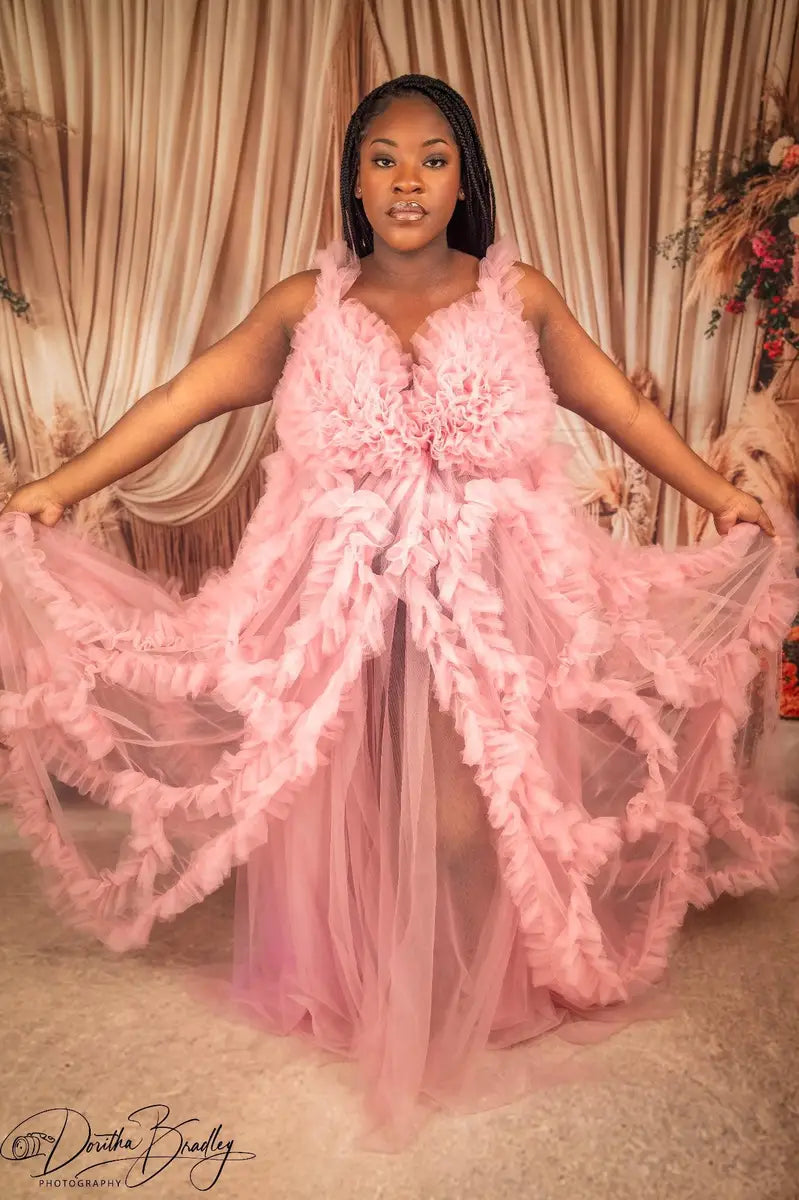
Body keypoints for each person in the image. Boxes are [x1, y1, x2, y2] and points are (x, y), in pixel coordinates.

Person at [1, 73, 798, 1153]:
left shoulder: (517, 298)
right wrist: (62, 484)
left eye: (431, 157)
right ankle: (378, 982)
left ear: (463, 177)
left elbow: (615, 405)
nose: (407, 179)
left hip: (486, 612)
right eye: (383, 158)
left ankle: (455, 989)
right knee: (356, 808)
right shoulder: (305, 305)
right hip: (340, 609)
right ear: (356, 181)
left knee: (464, 821)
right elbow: (182, 398)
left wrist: (717, 496)